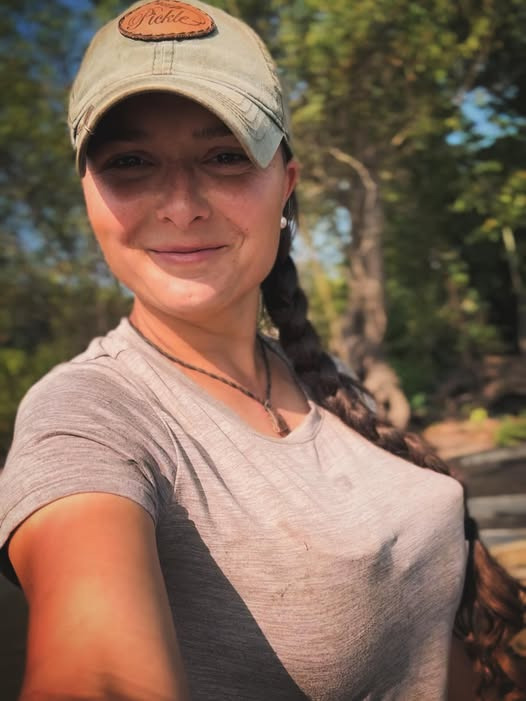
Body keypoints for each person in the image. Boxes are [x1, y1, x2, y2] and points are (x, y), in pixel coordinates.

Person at [0, 1, 524, 699]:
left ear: (287, 183)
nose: (181, 204)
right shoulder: (86, 415)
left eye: (225, 155)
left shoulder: (322, 378)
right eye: (130, 162)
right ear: (90, 195)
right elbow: (98, 674)